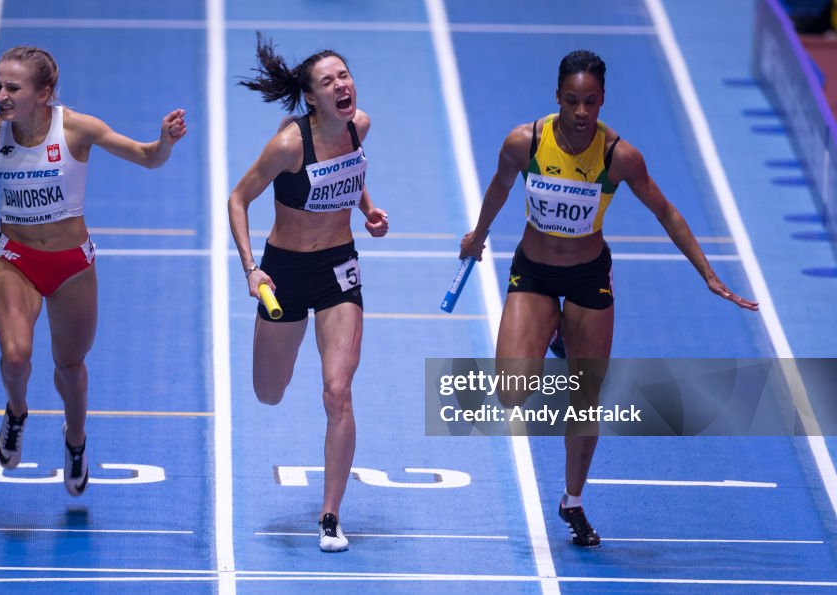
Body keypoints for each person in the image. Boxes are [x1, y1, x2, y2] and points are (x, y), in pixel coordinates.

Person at [459, 50, 758, 547]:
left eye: (591, 102)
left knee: (585, 397)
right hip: (533, 274)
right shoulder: (524, 142)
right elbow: (499, 186)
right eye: (572, 101)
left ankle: (572, 500)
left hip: (587, 281)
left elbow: (666, 211)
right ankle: (554, 333)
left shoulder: (619, 156)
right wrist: (477, 234)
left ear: (602, 101)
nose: (581, 112)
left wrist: (707, 273)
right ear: (557, 97)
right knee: (511, 391)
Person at [0, 46, 187, 496]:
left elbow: (147, 158)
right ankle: (16, 413)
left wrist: (164, 141)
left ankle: (75, 441)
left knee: (70, 367)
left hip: (72, 265)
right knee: (16, 357)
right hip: (15, 258)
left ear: (45, 93)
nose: (1, 95)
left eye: (13, 87)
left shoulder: (77, 129)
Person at [228, 35, 389, 553]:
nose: (342, 85)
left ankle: (329, 515)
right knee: (268, 391)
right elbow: (238, 198)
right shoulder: (289, 144)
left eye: (344, 75)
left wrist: (367, 210)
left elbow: (351, 168)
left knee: (338, 391)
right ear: (311, 97)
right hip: (285, 272)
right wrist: (252, 269)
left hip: (339, 268)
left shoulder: (358, 126)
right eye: (328, 81)